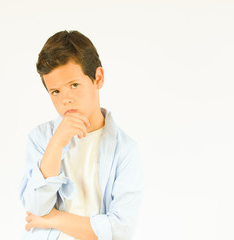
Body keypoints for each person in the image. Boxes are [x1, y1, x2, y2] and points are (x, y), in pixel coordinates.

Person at [19, 30, 143, 240]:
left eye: (74, 85)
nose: (66, 99)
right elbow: (37, 207)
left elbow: (121, 230)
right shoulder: (40, 138)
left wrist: (53, 219)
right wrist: (57, 142)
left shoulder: (125, 149)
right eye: (55, 92)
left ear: (98, 78)